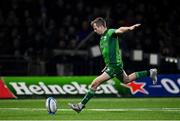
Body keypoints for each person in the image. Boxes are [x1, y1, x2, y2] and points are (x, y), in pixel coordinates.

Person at [69, 17, 157, 113]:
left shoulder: (110, 32)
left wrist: (129, 28)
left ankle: (80, 106)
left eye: (95, 28)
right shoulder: (102, 38)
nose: (94, 31)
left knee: (95, 83)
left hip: (115, 66)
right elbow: (108, 54)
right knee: (126, 80)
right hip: (113, 66)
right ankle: (150, 72)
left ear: (101, 26)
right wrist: (107, 65)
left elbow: (120, 30)